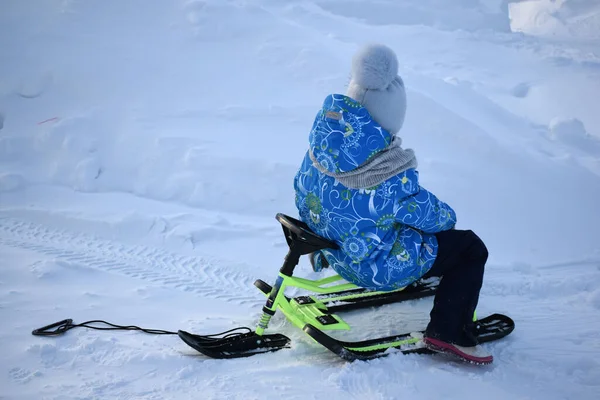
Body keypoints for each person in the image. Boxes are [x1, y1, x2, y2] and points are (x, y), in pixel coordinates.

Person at [293, 43, 493, 364]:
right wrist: (447, 217)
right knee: (469, 247)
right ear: (389, 121)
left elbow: (303, 196)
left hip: (332, 249)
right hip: (375, 269)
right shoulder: (389, 172)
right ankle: (449, 330)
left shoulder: (320, 153)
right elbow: (434, 218)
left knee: (389, 224)